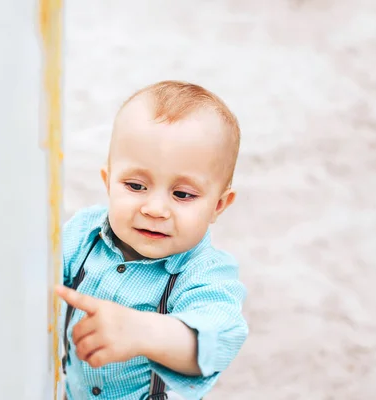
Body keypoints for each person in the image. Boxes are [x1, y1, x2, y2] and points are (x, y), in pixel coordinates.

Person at [54, 80, 248, 400]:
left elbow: (219, 339)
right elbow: (36, 269)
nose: (155, 209)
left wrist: (144, 332)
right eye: (135, 186)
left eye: (182, 194)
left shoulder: (203, 272)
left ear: (218, 205)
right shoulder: (83, 234)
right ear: (108, 181)